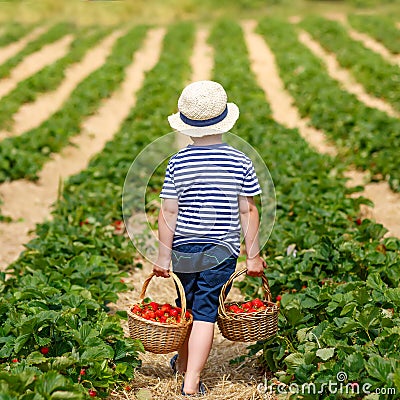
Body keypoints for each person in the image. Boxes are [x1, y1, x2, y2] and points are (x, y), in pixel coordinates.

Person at [152, 80, 266, 396]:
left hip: (184, 248)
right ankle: (191, 381)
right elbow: (248, 212)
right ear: (225, 121)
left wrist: (163, 256)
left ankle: (184, 365)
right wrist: (253, 255)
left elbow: (168, 213)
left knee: (185, 306)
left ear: (187, 126)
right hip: (222, 249)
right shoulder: (241, 161)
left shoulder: (178, 162)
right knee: (205, 312)